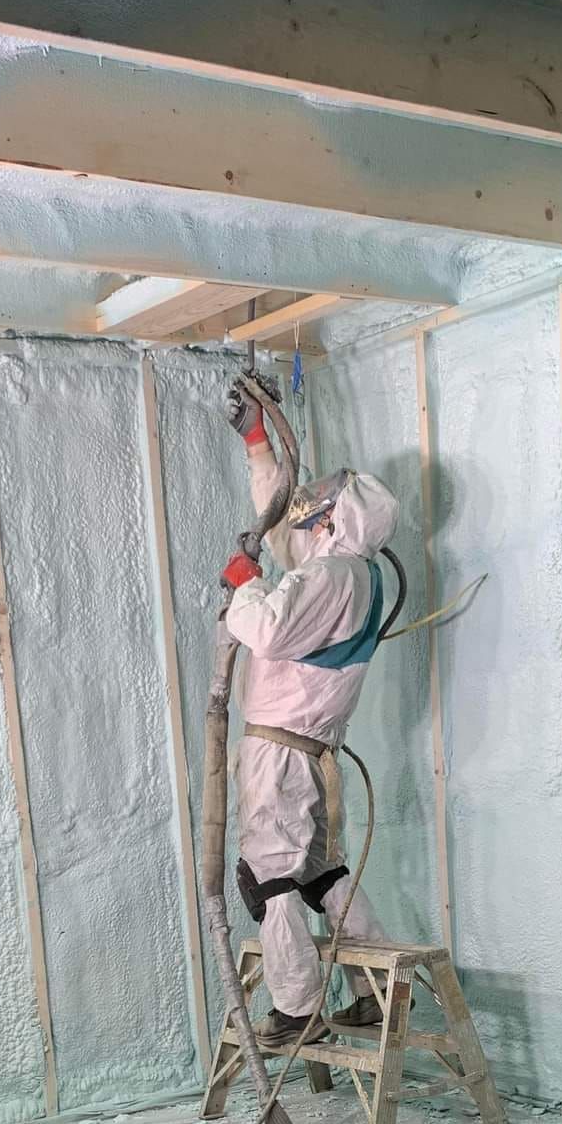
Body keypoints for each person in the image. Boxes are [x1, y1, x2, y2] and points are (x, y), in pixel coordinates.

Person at [219, 373, 398, 1053]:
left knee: (264, 877)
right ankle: (376, 991)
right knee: (321, 871)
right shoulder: (355, 572)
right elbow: (280, 522)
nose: (310, 507)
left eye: (322, 504)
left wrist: (243, 585)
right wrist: (259, 443)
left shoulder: (330, 576)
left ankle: (295, 1011)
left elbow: (264, 629)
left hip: (282, 753)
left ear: (338, 520)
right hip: (311, 752)